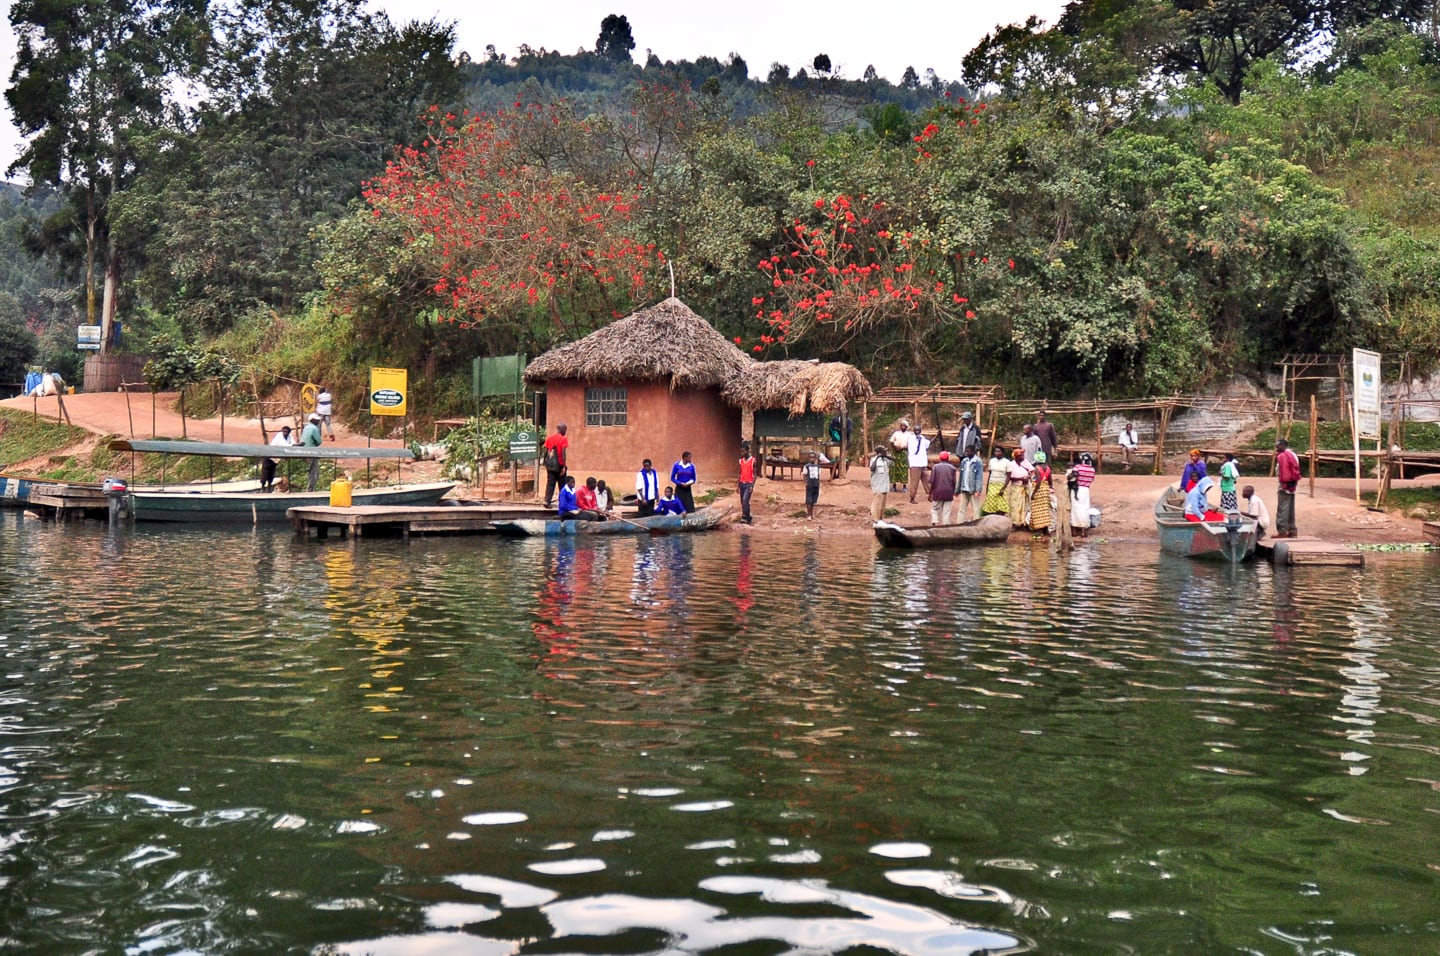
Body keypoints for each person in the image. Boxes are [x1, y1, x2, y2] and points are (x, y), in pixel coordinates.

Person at [1275, 439, 1301, 537]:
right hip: (1293, 484)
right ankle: (1292, 530)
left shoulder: (1283, 456)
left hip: (1284, 484)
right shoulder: (1293, 455)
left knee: (1282, 508)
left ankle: (1282, 531)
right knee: (1290, 508)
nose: (1276, 449)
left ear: (1282, 446)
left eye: (1278, 447)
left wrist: (1284, 483)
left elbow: (1282, 472)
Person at [542, 423, 569, 508]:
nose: (565, 432)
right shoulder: (563, 439)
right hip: (560, 465)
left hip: (550, 466)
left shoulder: (549, 439)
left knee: (550, 483)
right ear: (562, 430)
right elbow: (563, 453)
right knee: (562, 485)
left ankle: (547, 501)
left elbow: (545, 452)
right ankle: (563, 503)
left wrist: (545, 463)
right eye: (565, 430)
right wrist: (564, 466)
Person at [927, 450, 958, 526]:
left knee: (934, 508)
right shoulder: (952, 468)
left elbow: (932, 481)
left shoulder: (935, 467)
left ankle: (935, 521)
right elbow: (954, 482)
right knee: (947, 511)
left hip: (938, 492)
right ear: (948, 459)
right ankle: (946, 524)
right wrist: (953, 492)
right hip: (948, 492)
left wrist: (930, 493)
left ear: (940, 458)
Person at [1069, 452, 1096, 537]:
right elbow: (1091, 480)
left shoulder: (1078, 467)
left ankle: (1074, 530)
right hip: (1086, 490)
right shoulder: (1092, 470)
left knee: (1075, 508)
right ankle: (1083, 531)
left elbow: (1071, 477)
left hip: (1077, 489)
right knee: (1084, 509)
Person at [261, 425, 293, 492]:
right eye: (284, 431)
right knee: (265, 472)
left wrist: (295, 445)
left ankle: (269, 487)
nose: (285, 433)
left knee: (271, 473)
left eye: (287, 432)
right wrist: (294, 445)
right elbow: (286, 445)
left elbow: (293, 443)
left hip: (275, 459)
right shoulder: (279, 436)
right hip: (269, 456)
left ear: (289, 432)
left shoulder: (290, 437)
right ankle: (262, 487)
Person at [1006, 447, 1032, 527]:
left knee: (1025, 505)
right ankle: (1014, 523)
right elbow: (1010, 477)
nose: (1023, 457)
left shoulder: (1026, 462)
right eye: (1021, 455)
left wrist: (1028, 477)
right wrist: (1021, 479)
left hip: (1025, 487)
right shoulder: (1011, 464)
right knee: (1015, 505)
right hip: (1016, 487)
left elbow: (1032, 471)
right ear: (1016, 457)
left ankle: (1023, 522)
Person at [957, 444, 984, 523]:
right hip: (964, 488)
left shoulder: (978, 462)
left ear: (973, 452)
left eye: (968, 451)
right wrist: (958, 490)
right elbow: (961, 476)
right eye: (966, 451)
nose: (966, 453)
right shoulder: (964, 461)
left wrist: (978, 490)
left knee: (976, 509)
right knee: (961, 509)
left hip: (973, 489)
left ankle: (977, 526)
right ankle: (959, 524)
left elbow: (979, 477)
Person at [1029, 451, 1054, 532]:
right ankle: (1045, 528)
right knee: (1045, 510)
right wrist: (1050, 488)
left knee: (1037, 510)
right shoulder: (1048, 468)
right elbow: (1050, 481)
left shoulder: (1037, 469)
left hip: (1038, 490)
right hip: (1045, 490)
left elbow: (1038, 482)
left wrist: (1033, 494)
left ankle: (1038, 528)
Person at [982, 446, 1010, 515]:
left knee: (1001, 505)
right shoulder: (992, 461)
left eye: (998, 451)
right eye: (995, 451)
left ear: (1002, 453)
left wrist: (1003, 488)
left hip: (1001, 485)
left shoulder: (1007, 462)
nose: (996, 453)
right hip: (992, 485)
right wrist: (987, 487)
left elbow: (1008, 477)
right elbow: (990, 474)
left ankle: (1000, 520)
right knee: (991, 504)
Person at [300, 412, 324, 491]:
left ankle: (309, 488)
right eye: (316, 420)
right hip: (312, 452)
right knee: (314, 471)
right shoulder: (314, 428)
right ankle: (310, 489)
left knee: (310, 470)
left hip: (304, 451)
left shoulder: (306, 428)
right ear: (312, 420)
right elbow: (318, 441)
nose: (318, 421)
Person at [907, 427, 931, 503]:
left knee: (927, 480)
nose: (917, 432)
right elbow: (914, 448)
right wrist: (919, 439)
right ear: (914, 431)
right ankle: (912, 498)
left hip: (923, 463)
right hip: (914, 463)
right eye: (916, 430)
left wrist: (936, 437)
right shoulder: (911, 439)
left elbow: (927, 444)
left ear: (920, 431)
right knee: (914, 482)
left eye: (918, 430)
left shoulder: (922, 438)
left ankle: (931, 495)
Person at [868, 444, 892, 521]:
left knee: (883, 504)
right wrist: (877, 457)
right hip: (877, 484)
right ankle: (874, 518)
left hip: (885, 484)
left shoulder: (886, 459)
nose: (886, 452)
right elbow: (872, 468)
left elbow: (895, 460)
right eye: (884, 451)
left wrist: (885, 456)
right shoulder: (874, 459)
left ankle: (881, 518)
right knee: (877, 502)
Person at [737, 442, 758, 524]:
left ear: (747, 451)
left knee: (745, 500)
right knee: (743, 501)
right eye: (741, 452)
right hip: (742, 483)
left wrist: (752, 486)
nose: (742, 453)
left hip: (749, 483)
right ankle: (747, 515)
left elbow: (755, 474)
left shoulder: (753, 461)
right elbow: (739, 473)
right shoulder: (740, 461)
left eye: (743, 452)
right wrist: (737, 485)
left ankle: (745, 515)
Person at [802, 452, 822, 519]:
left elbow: (818, 475)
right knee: (808, 500)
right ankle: (809, 515)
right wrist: (806, 483)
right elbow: (804, 475)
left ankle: (812, 514)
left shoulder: (818, 467)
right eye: (811, 457)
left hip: (816, 484)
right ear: (809, 458)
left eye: (813, 457)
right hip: (810, 484)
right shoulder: (806, 466)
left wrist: (819, 483)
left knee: (813, 500)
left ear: (815, 458)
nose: (812, 459)